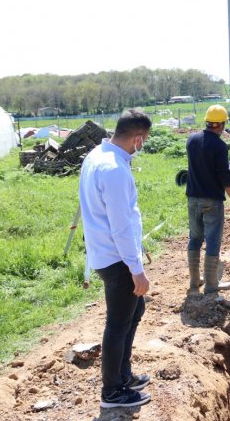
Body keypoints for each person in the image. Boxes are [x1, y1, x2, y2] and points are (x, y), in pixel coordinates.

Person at [78, 109, 152, 408]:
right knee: (118, 324)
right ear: (136, 138)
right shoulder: (115, 170)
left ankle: (123, 375)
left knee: (135, 312)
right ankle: (112, 393)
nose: (142, 145)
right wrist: (137, 269)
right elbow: (120, 225)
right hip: (117, 259)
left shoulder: (97, 156)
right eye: (144, 140)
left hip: (107, 253)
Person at [185, 104, 230, 295]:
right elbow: (224, 175)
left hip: (192, 198)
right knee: (213, 241)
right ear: (222, 124)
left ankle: (194, 284)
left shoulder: (191, 140)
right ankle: (210, 285)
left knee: (195, 239)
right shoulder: (219, 145)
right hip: (212, 202)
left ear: (207, 121)